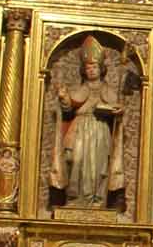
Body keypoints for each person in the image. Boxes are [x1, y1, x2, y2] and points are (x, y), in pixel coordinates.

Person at [53, 39, 126, 208]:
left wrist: (119, 110)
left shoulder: (107, 90)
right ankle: (74, 199)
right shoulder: (81, 89)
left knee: (100, 166)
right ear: (84, 71)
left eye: (94, 67)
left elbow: (116, 106)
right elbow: (69, 106)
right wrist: (64, 97)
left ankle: (97, 200)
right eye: (88, 67)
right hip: (80, 127)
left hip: (100, 128)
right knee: (75, 160)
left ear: (101, 69)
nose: (91, 70)